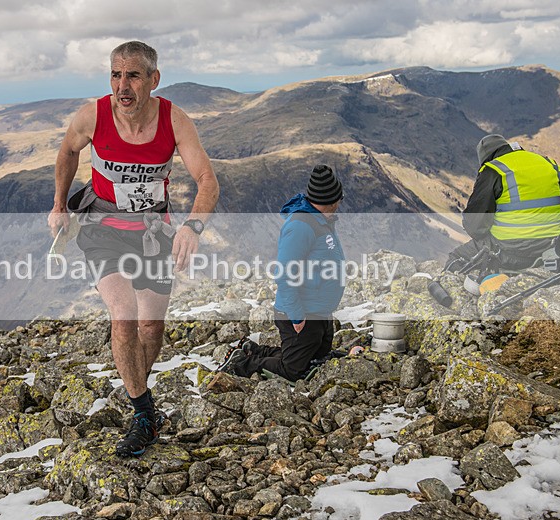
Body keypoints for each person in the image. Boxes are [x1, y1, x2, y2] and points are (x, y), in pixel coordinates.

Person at [47, 41, 219, 457]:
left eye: (133, 76)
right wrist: (58, 204)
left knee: (150, 328)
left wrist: (192, 227)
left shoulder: (174, 120)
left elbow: (207, 180)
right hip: (101, 228)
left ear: (153, 80)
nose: (122, 86)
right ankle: (144, 414)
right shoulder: (93, 115)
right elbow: (69, 150)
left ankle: (140, 397)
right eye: (115, 75)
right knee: (123, 317)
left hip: (152, 231)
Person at [218, 165, 349, 382]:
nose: (340, 203)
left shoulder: (321, 220)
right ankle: (241, 363)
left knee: (317, 360)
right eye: (339, 199)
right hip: (303, 312)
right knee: (293, 371)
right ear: (330, 200)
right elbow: (286, 274)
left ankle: (253, 350)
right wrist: (296, 314)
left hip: (320, 312)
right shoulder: (301, 226)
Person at [449, 134, 560, 271]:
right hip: (553, 246)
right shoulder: (549, 164)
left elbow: (475, 224)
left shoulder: (494, 170)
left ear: (486, 157)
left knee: (456, 257)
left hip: (511, 251)